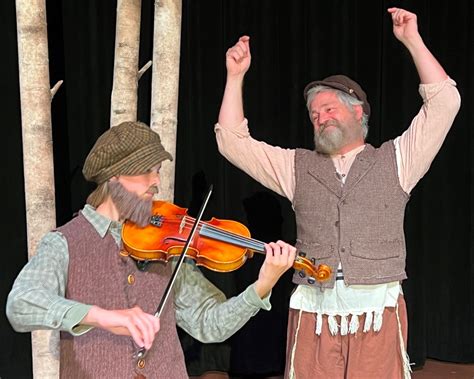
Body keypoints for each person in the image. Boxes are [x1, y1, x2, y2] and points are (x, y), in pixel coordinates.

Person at [215, 7, 460, 379]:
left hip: (376, 311)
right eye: (314, 114)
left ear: (358, 111)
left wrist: (412, 39)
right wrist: (235, 77)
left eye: (329, 108)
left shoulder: (397, 160)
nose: (320, 117)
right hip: (315, 313)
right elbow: (233, 143)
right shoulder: (297, 167)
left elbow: (444, 103)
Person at [6, 121, 297, 378]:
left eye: (157, 171)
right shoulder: (64, 243)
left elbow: (210, 323)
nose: (156, 182)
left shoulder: (166, 244)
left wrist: (262, 285)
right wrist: (102, 316)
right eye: (147, 171)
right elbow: (21, 304)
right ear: (114, 176)